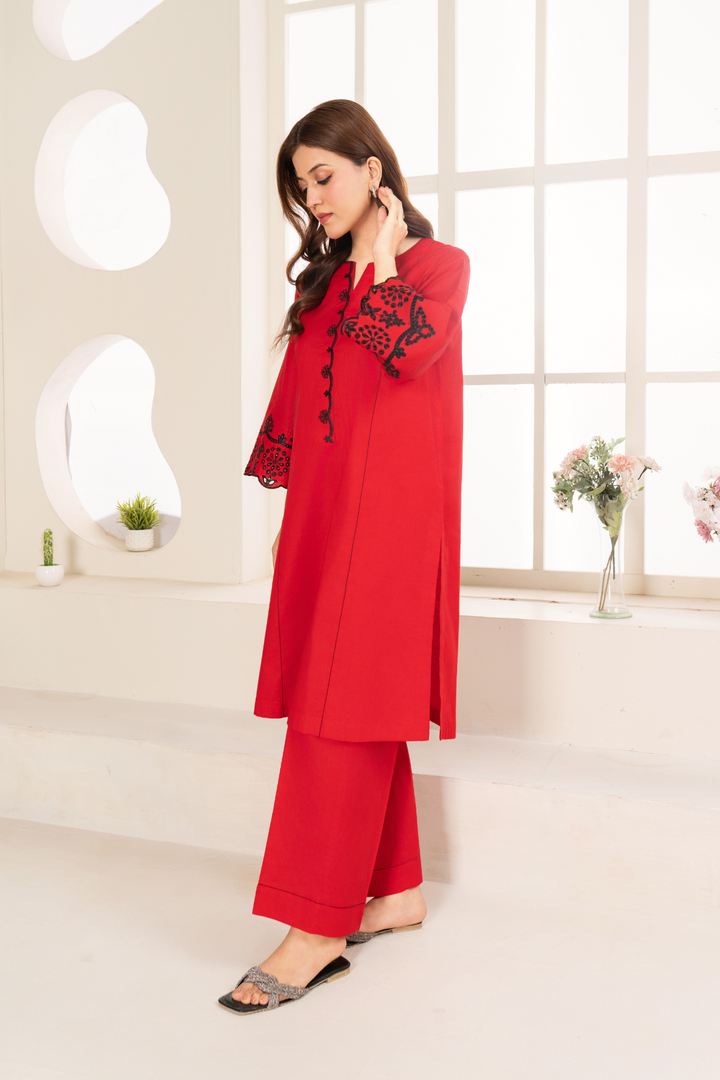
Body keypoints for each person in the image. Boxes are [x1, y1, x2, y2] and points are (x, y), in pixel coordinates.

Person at [218, 99, 471, 1014]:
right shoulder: (319, 285)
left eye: (322, 176)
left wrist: (380, 263)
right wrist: (288, 510)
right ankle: (394, 892)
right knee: (347, 701)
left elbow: (406, 353)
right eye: (301, 186)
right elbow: (297, 394)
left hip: (394, 525)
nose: (312, 198)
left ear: (373, 168)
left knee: (339, 707)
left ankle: (316, 927)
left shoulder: (439, 268)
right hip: (327, 520)